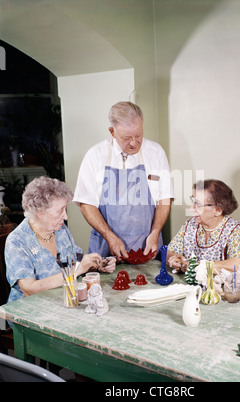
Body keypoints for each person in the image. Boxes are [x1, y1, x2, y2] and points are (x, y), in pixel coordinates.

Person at [73, 101, 174, 260]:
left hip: (147, 246)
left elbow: (164, 198)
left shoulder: (156, 153)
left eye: (138, 135)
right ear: (112, 131)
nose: (134, 143)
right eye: (126, 138)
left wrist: (155, 233)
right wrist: (110, 237)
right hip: (106, 247)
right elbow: (86, 205)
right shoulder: (95, 155)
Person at [5, 176, 116, 304]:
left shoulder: (60, 229)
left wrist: (95, 265)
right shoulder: (17, 241)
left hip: (63, 301)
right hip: (28, 312)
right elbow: (29, 289)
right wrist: (77, 270)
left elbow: (77, 261)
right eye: (60, 211)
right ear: (39, 212)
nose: (66, 216)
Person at [167, 179, 240, 273]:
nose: (191, 208)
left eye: (198, 204)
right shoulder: (190, 225)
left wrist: (194, 265)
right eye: (192, 202)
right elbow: (170, 251)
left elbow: (236, 264)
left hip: (227, 286)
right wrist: (173, 258)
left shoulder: (235, 230)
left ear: (218, 210)